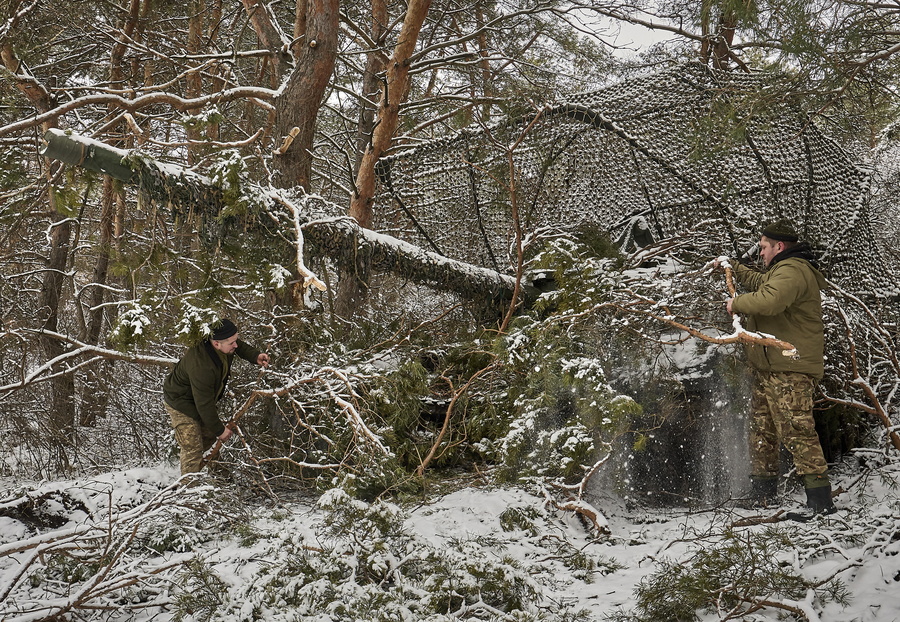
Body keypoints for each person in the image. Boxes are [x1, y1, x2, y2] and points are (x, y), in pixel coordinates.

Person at [720, 220, 836, 520]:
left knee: (797, 430)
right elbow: (763, 284)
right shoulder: (780, 270)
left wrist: (737, 303)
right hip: (770, 367)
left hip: (790, 368)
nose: (760, 253)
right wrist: (733, 267)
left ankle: (821, 502)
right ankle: (763, 494)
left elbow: (770, 300)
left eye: (763, 247)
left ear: (779, 247)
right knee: (763, 431)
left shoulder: (794, 270)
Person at [163, 318, 270, 477]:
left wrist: (255, 356)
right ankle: (188, 492)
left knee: (210, 440)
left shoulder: (223, 342)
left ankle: (220, 481)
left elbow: (238, 346)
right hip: (180, 402)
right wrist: (220, 430)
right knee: (192, 447)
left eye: (235, 340)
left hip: (199, 399)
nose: (236, 345)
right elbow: (204, 405)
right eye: (232, 343)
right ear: (216, 343)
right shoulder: (202, 366)